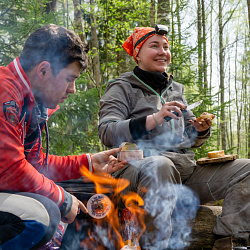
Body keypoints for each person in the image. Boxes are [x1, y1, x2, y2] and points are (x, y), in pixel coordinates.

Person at [98, 25, 250, 249]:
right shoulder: (122, 88)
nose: (163, 51)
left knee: (246, 168)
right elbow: (107, 132)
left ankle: (232, 242)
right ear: (137, 54)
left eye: (166, 47)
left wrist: (199, 130)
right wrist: (154, 118)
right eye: (154, 46)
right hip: (137, 174)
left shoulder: (174, 88)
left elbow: (187, 140)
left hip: (183, 174)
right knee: (160, 165)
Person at [0, 24, 127, 249]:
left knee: (73, 201)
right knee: (41, 216)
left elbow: (36, 165)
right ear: (44, 70)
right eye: (70, 78)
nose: (73, 89)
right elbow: (10, 169)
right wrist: (62, 198)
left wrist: (88, 163)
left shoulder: (31, 100)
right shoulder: (5, 92)